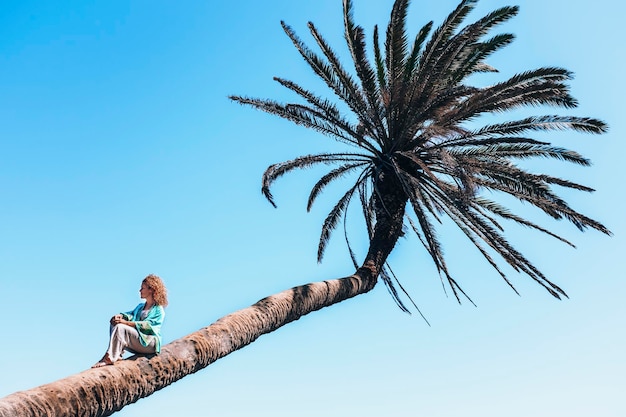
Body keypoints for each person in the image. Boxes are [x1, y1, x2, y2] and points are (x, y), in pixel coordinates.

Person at [92, 274, 168, 368]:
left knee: (120, 327)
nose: (140, 290)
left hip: (149, 343)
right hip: (138, 341)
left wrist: (125, 323)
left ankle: (109, 358)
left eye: (142, 288)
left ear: (151, 289)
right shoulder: (140, 306)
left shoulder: (158, 309)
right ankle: (117, 354)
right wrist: (119, 316)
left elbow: (147, 325)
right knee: (115, 323)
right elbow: (130, 315)